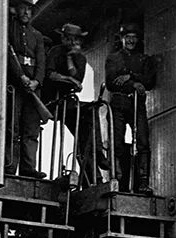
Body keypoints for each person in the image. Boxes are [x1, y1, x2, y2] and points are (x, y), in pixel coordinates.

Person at [44, 23, 109, 184]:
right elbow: (50, 75)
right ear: (63, 38)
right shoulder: (54, 51)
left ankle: (93, 175)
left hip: (70, 103)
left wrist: (69, 60)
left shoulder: (80, 58)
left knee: (88, 126)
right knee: (84, 133)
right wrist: (69, 79)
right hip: (54, 101)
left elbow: (77, 83)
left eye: (75, 39)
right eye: (69, 39)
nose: (72, 42)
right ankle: (97, 159)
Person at [105, 22, 156, 194]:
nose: (131, 41)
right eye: (128, 37)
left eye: (134, 38)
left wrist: (129, 76)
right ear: (122, 38)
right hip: (119, 104)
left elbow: (149, 81)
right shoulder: (113, 58)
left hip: (137, 105)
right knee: (117, 142)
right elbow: (112, 82)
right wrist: (135, 83)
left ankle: (142, 182)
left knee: (142, 142)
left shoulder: (144, 59)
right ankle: (117, 178)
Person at [6, 0, 47, 178]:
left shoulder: (36, 35)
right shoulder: (9, 29)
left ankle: (28, 169)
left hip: (32, 89)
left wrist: (36, 81)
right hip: (15, 86)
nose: (27, 13)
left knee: (31, 131)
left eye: (30, 9)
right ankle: (9, 166)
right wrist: (20, 76)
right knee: (12, 129)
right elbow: (8, 55)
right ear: (16, 9)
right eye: (24, 8)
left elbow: (41, 62)